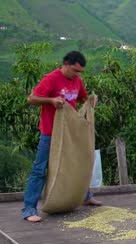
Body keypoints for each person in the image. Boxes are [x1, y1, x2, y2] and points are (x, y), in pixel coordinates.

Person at [21, 51, 102, 222]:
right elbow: (32, 98)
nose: (77, 74)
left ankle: (85, 196)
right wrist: (51, 101)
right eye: (74, 70)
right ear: (65, 64)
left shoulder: (77, 81)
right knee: (40, 169)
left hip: (69, 132)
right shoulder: (51, 78)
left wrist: (90, 101)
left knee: (78, 163)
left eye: (80, 72)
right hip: (50, 132)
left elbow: (82, 98)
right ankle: (29, 210)